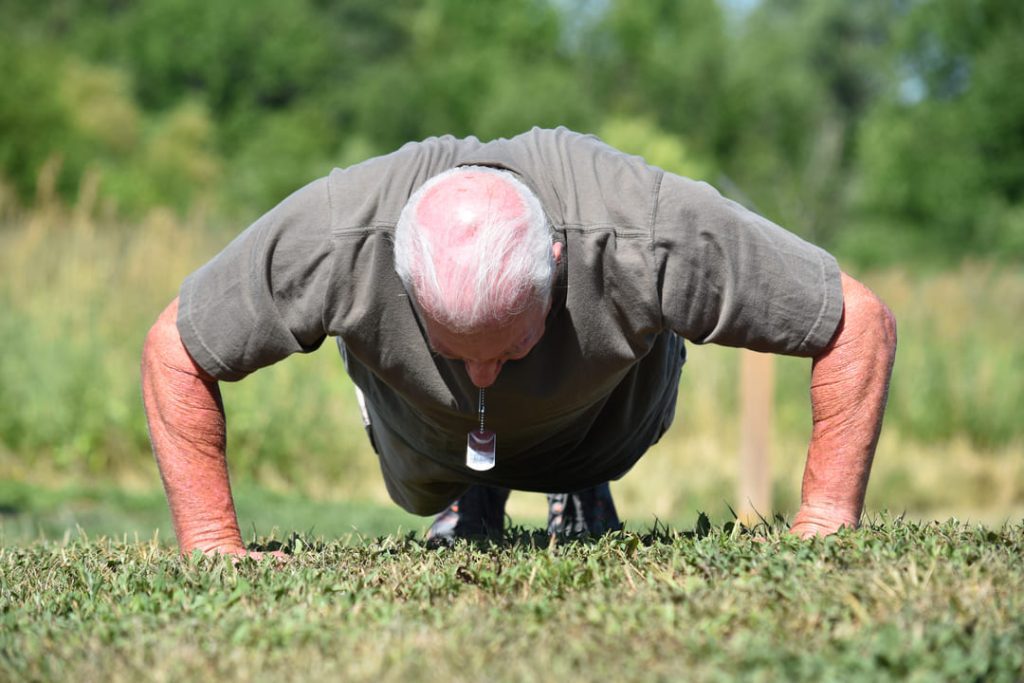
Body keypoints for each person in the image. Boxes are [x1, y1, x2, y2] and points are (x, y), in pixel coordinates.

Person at [141, 127, 896, 558]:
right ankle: (474, 485)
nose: (483, 374)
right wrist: (213, 545)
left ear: (557, 263)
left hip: (607, 421)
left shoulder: (645, 227)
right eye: (458, 347)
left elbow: (856, 320)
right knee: (437, 466)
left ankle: (573, 480)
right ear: (399, 273)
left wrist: (825, 522)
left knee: (582, 424)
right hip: (423, 442)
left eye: (508, 347)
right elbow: (176, 348)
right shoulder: (340, 234)